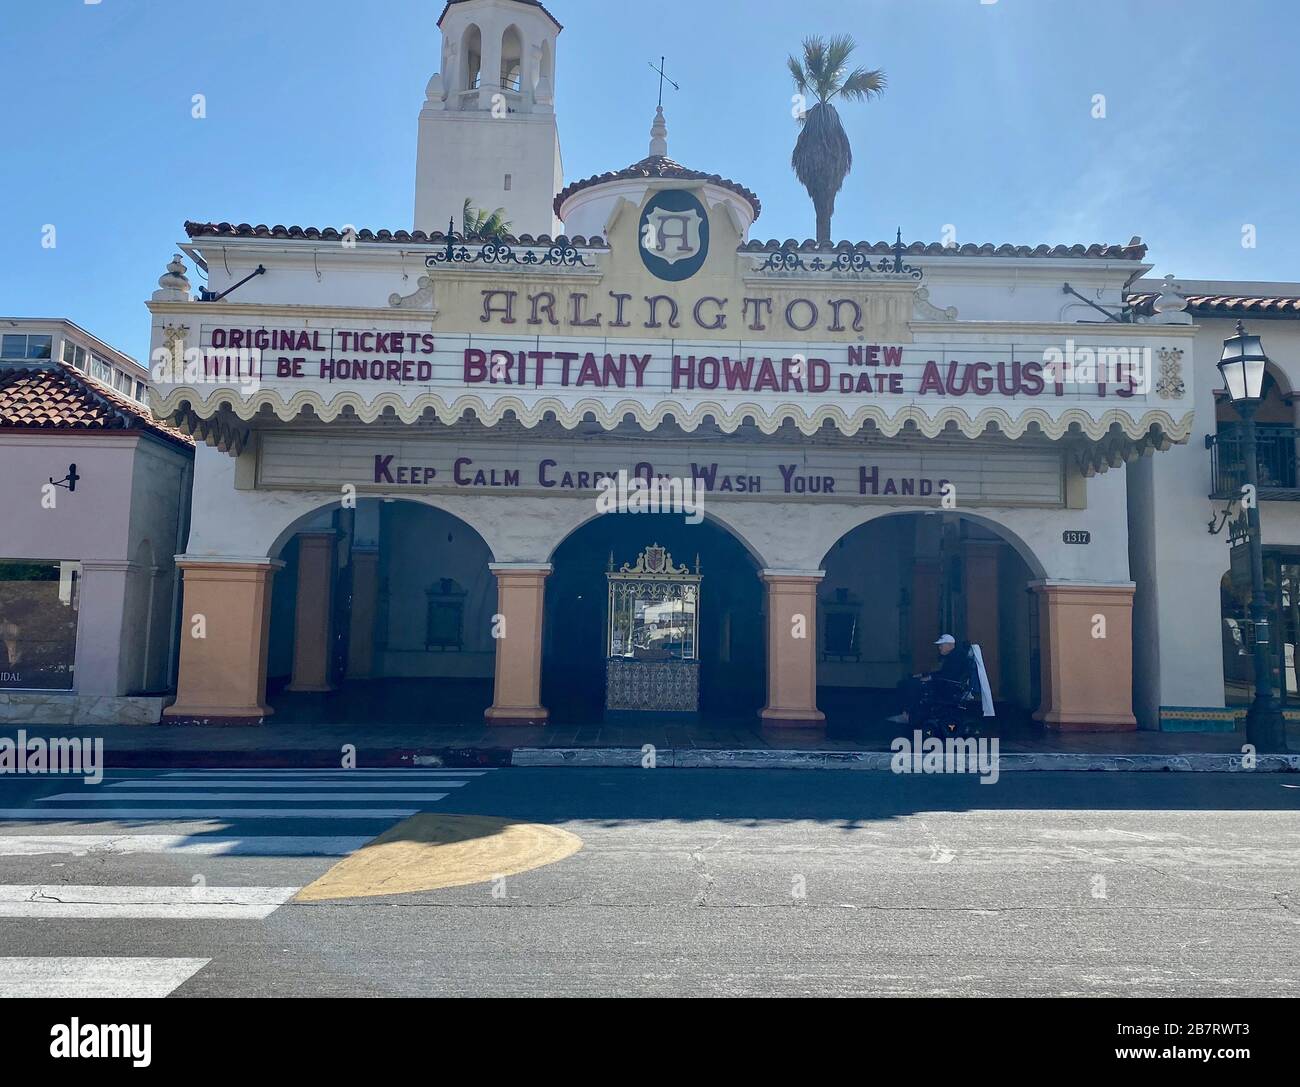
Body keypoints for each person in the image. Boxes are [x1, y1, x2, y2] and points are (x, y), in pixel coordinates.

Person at [888, 634, 975, 725]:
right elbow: (944, 673)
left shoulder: (955, 658)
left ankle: (906, 714)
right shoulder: (955, 656)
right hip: (945, 685)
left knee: (908, 684)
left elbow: (948, 676)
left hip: (946, 687)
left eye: (941, 645)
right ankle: (907, 713)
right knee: (910, 682)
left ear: (950, 645)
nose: (939, 648)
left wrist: (929, 678)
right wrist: (922, 675)